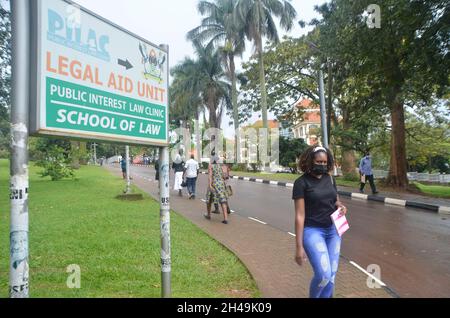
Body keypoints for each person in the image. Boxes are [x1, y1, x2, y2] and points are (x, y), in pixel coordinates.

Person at [292, 146, 348, 298]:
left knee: (332, 275)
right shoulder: (301, 183)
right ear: (310, 161)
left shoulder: (330, 178)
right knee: (323, 275)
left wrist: (341, 206)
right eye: (318, 162)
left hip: (333, 231)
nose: (322, 165)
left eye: (325, 162)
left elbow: (335, 200)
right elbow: (299, 216)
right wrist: (299, 247)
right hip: (312, 231)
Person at [204, 154, 229, 224]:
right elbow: (225, 176)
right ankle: (225, 218)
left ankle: (208, 215)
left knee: (209, 199)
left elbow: (210, 176)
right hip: (221, 184)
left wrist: (210, 185)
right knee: (223, 200)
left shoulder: (211, 166)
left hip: (214, 184)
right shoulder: (221, 166)